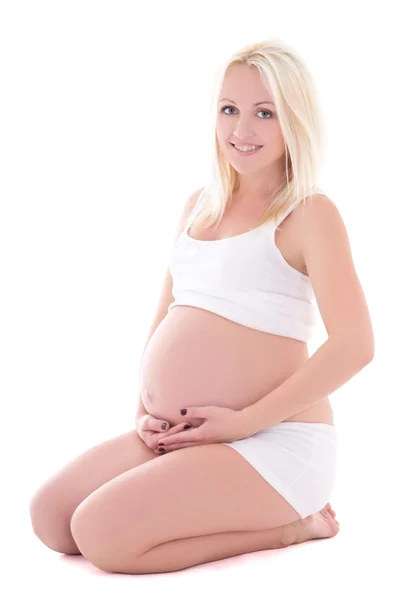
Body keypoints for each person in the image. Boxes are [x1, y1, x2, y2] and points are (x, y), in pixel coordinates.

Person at [29, 38, 374, 574]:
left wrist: (244, 422)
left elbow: (356, 346)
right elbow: (166, 316)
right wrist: (145, 413)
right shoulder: (199, 205)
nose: (242, 129)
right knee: (51, 517)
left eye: (265, 112)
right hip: (186, 434)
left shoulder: (309, 213)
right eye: (229, 109)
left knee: (101, 535)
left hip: (274, 442)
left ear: (295, 121)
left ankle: (290, 528)